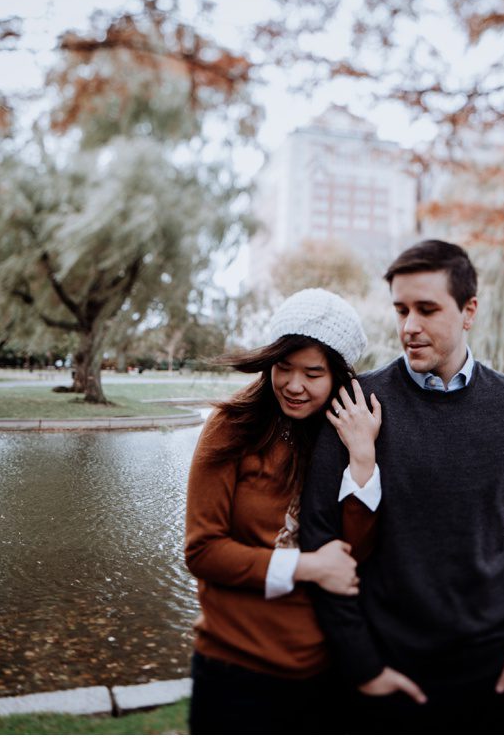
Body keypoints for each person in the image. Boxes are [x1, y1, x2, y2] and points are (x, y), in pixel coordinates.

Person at [300, 240, 504, 734]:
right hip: (386, 666)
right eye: (401, 309)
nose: (408, 327)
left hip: (495, 666)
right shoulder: (357, 403)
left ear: (469, 311)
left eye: (426, 309)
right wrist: (362, 665)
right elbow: (320, 538)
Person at [183, 288, 385, 734]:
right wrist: (306, 566)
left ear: (338, 376)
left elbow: (356, 553)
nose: (294, 385)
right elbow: (203, 552)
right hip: (233, 667)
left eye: (313, 373)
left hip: (324, 669)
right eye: (284, 368)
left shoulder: (346, 433)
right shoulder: (230, 427)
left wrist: (362, 457)